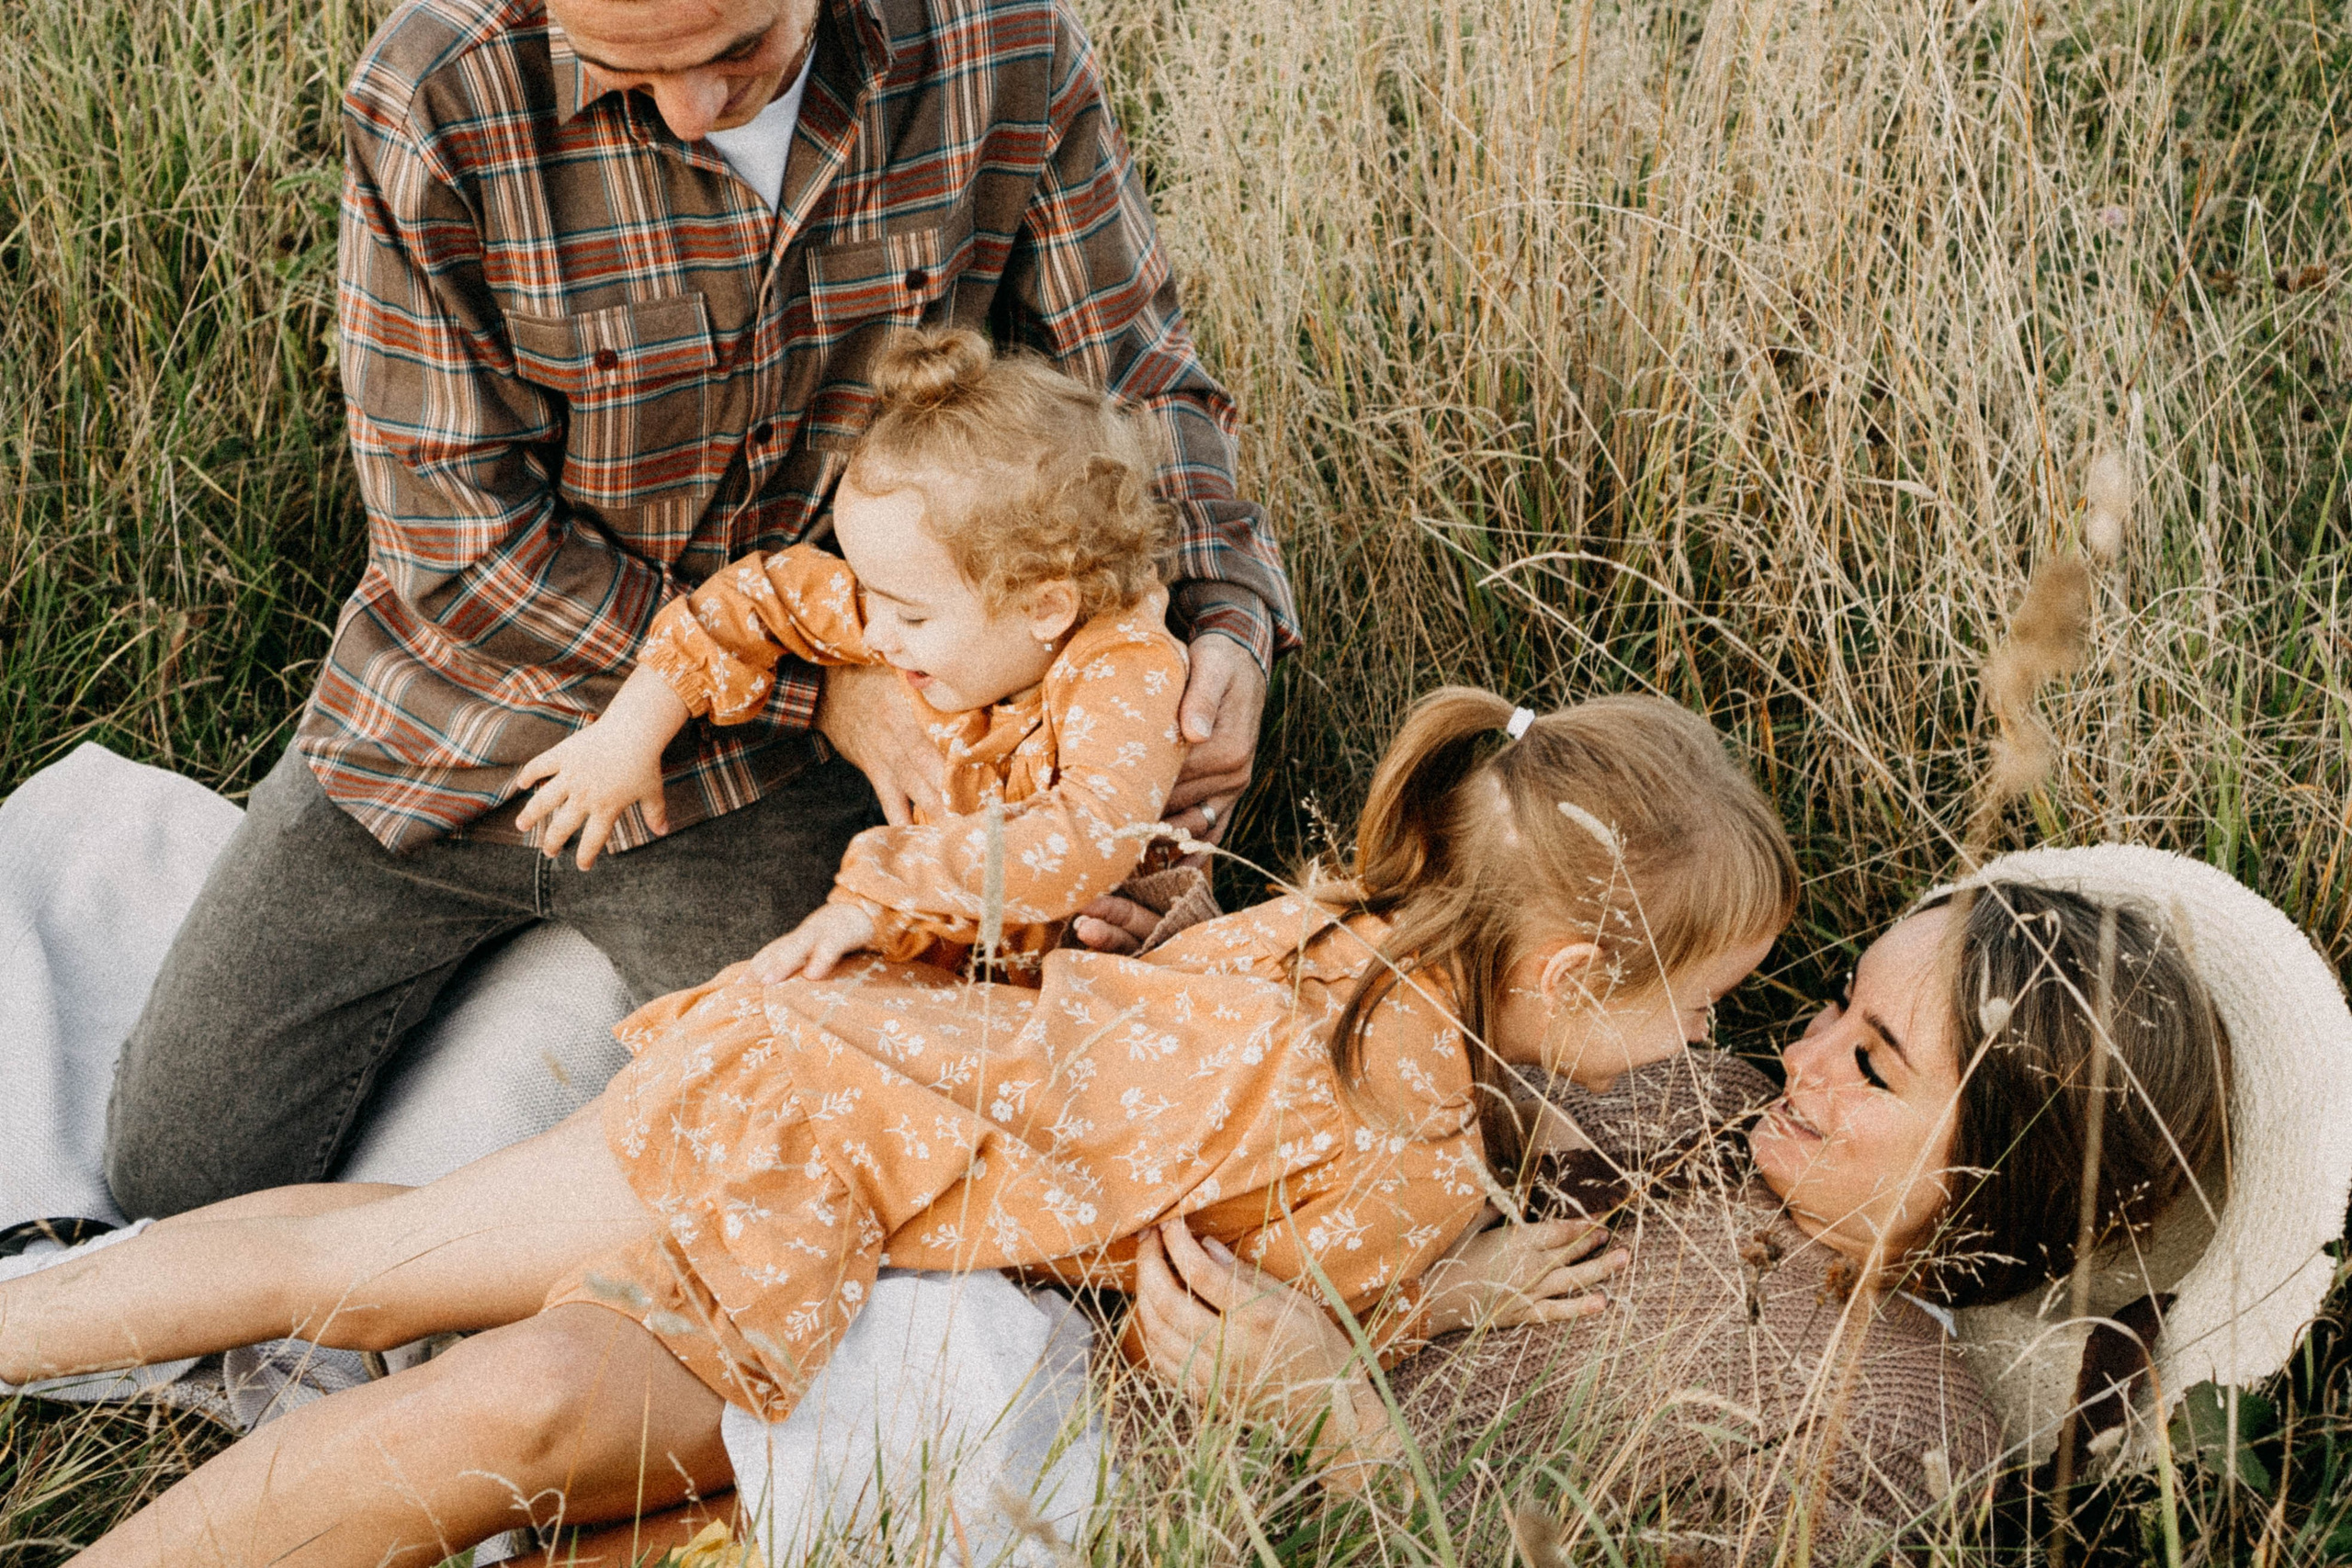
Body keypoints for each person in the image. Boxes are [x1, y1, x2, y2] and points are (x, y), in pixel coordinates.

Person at [0, 686, 1799, 1565]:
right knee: (499, 1391)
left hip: (813, 1056)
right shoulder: (1410, 1149)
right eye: (1693, 992)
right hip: (834, 1172)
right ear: (1558, 970)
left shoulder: (1334, 911)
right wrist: (1455, 1290)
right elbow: (1262, 1328)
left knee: (370, 1260)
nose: (1705, 1029)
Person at [99, 0, 1296, 1221]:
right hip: (458, 727)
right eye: (625, 72)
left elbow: (1138, 379)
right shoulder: (438, 88)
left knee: (833, 1181)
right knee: (173, 1181)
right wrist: (826, 691)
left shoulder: (1003, 43)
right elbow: (459, 544)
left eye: (737, 56)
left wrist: (1227, 615)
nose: (691, 110)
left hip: (760, 788)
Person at [1131, 877, 2234, 1562]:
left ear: (2002, 1174)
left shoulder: (1904, 1430)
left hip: (1160, 1514)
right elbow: (1407, 1074)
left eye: (1870, 1066)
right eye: (1838, 1000)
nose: (1800, 1058)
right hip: (1118, 1309)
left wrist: (1333, 1419)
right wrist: (1206, 965)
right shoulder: (1704, 1093)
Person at [511, 326, 1203, 983]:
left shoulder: (1124, 666)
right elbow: (759, 598)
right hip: (950, 957)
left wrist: (877, 896)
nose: (873, 637)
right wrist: (634, 728)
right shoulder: (905, 602)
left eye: (910, 614)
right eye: (869, 593)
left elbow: (1080, 836)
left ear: (1045, 606)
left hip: (1089, 977)